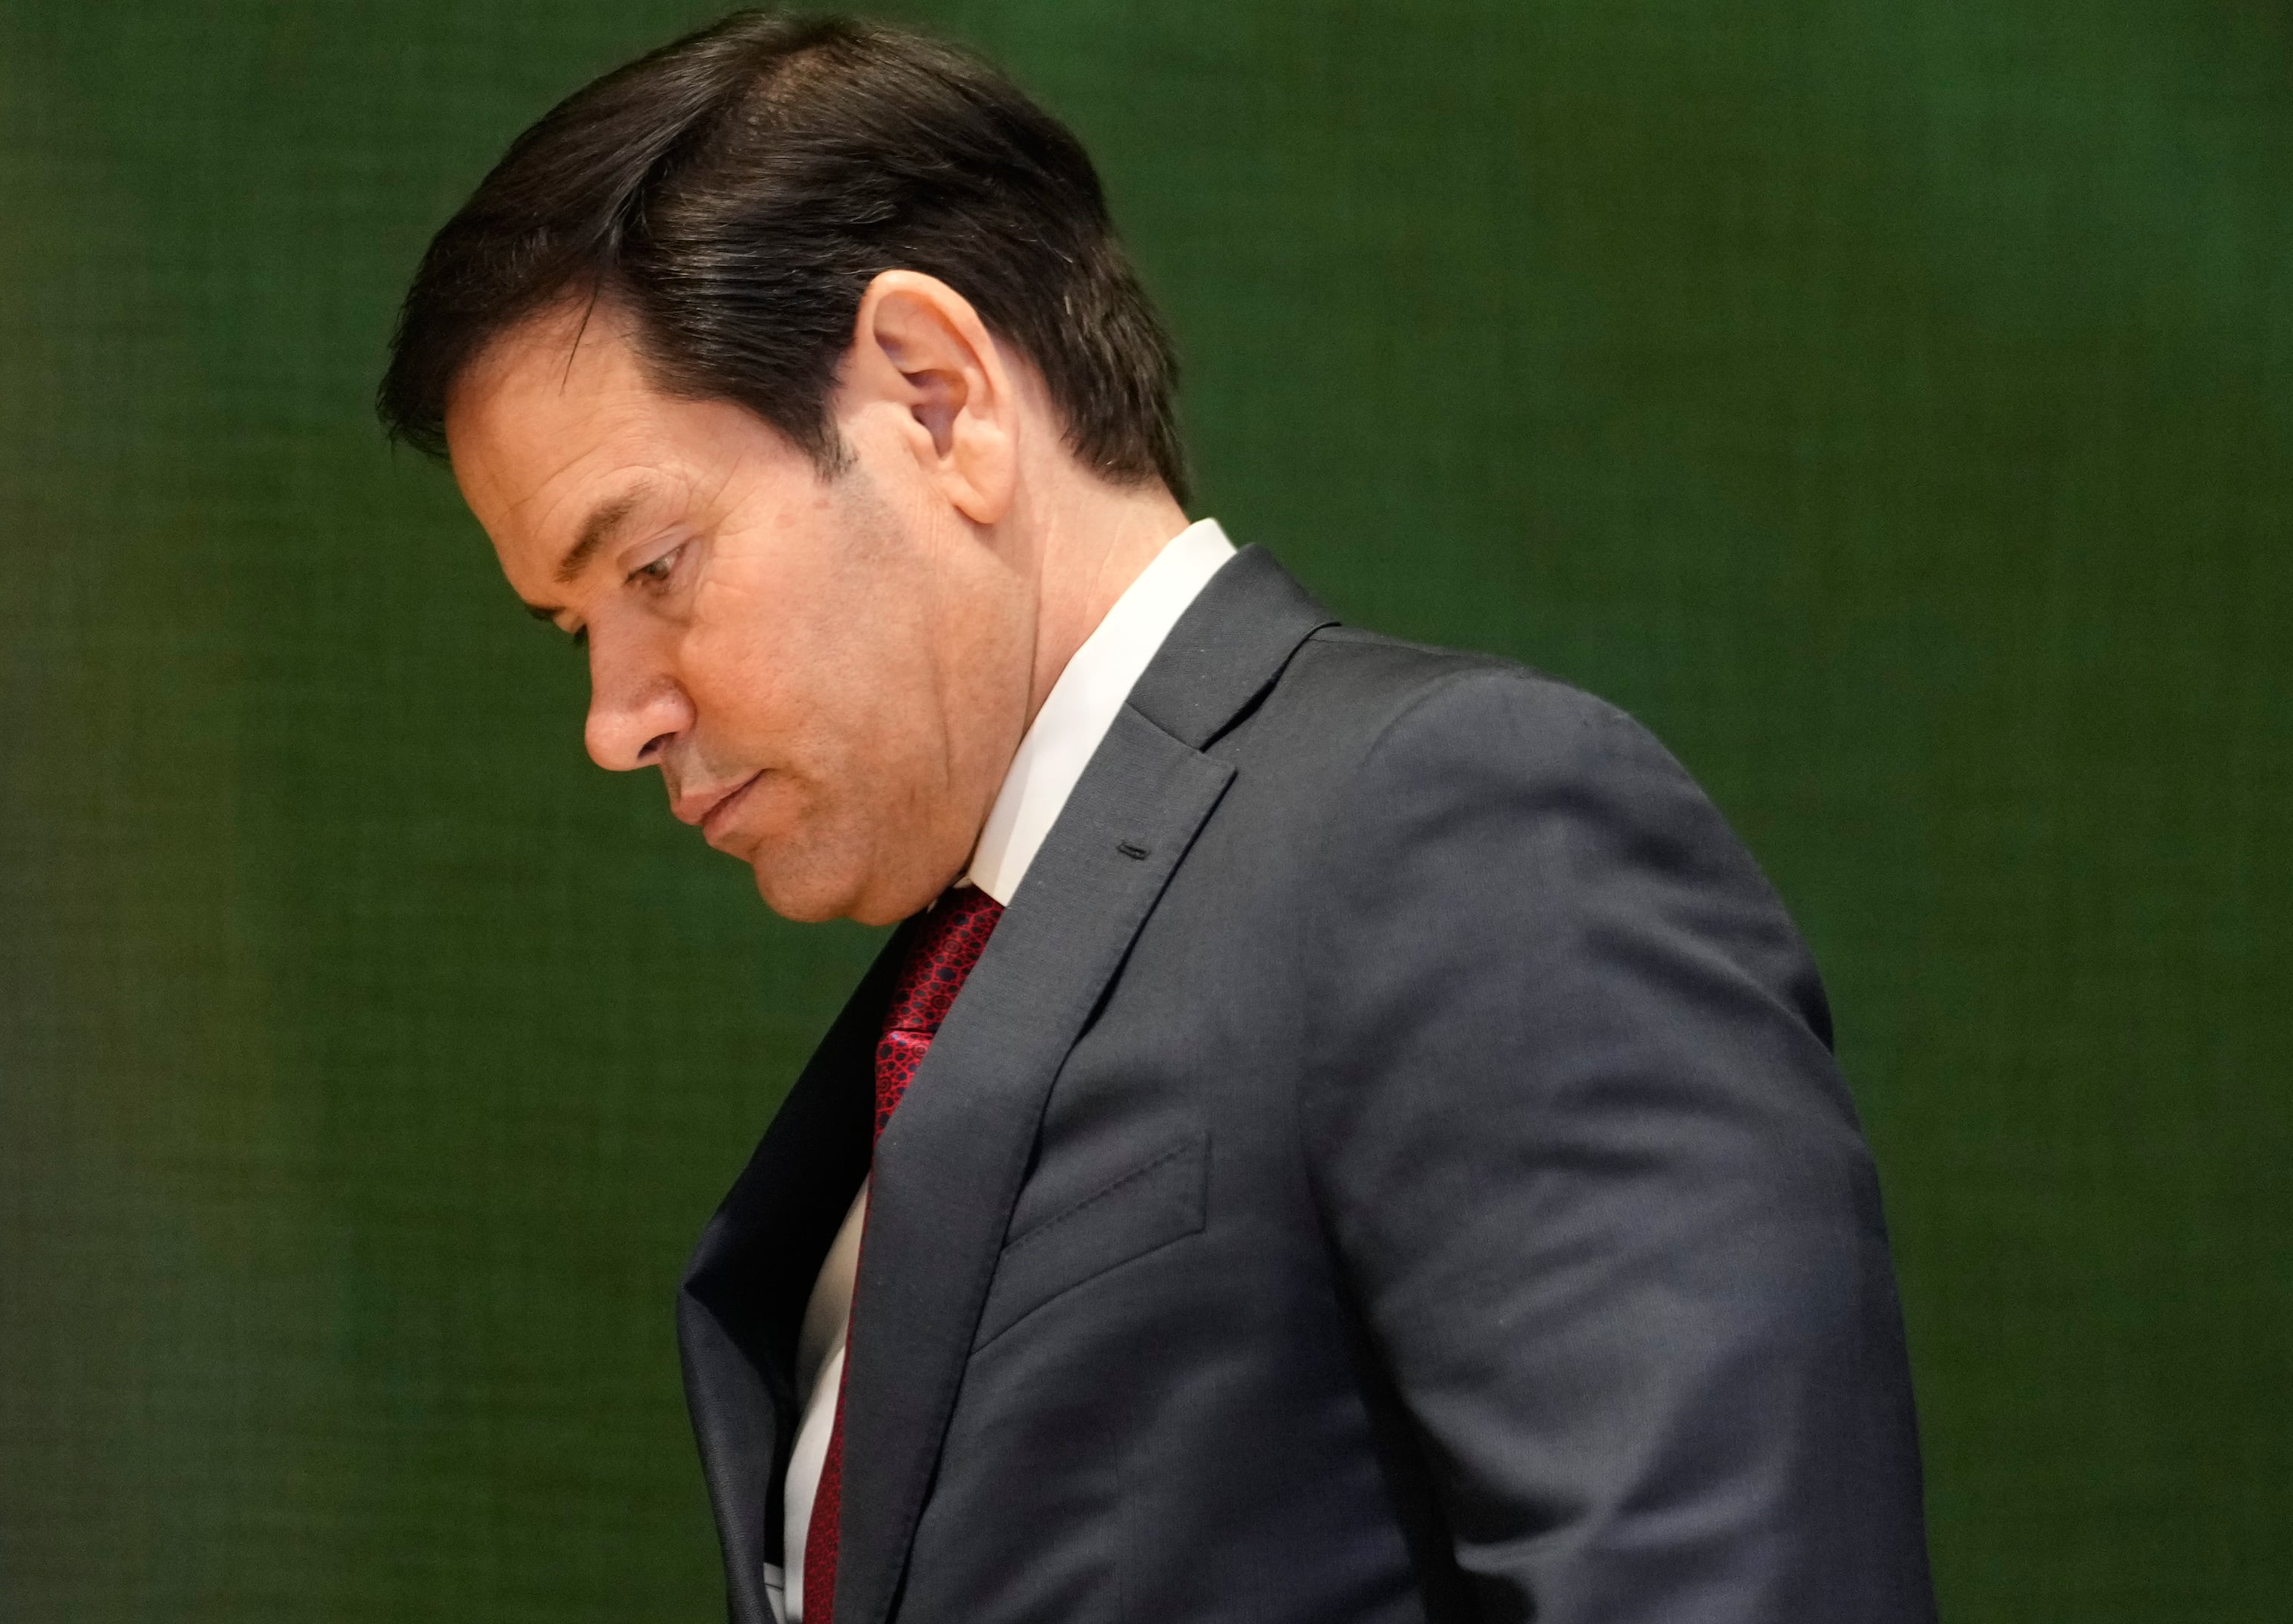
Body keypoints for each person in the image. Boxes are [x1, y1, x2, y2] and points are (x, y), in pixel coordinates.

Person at [377, 12, 1937, 1622]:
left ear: (934, 397)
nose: (615, 721)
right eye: (578, 631)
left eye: (652, 570)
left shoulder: (1459, 828)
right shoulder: (956, 983)